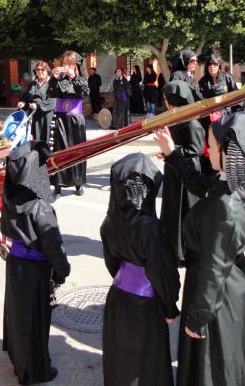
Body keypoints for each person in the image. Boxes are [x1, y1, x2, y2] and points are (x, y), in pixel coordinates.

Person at [155, 111, 245, 386]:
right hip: (227, 285)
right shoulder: (238, 181)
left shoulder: (227, 205)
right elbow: (199, 184)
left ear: (230, 151)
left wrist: (197, 317)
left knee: (214, 364)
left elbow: (213, 268)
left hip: (216, 296)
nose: (206, 151)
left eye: (212, 145)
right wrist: (172, 154)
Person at [100, 152, 180, 386]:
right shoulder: (150, 228)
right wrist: (169, 305)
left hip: (118, 297)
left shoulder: (110, 221)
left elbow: (112, 263)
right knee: (146, 363)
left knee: (119, 357)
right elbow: (163, 272)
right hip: (146, 304)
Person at [0, 140, 70, 385]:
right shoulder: (40, 208)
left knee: (18, 315)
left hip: (15, 264)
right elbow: (54, 246)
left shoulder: (10, 195)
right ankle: (33, 371)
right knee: (34, 321)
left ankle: (19, 359)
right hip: (35, 270)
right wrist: (62, 271)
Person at [160, 80, 205, 264]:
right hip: (173, 168)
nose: (164, 102)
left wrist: (172, 151)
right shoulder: (174, 117)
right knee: (173, 210)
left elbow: (196, 149)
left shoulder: (191, 121)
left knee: (185, 211)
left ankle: (184, 250)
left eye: (166, 98)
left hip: (187, 171)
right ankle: (172, 247)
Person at [47, 51, 89, 199]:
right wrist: (53, 78)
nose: (67, 67)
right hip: (60, 119)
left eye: (70, 64)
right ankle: (57, 187)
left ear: (75, 64)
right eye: (64, 63)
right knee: (59, 151)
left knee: (77, 151)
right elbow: (50, 93)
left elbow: (84, 93)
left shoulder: (81, 79)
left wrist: (74, 77)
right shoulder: (58, 80)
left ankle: (78, 183)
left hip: (76, 120)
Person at [17, 61, 55, 144]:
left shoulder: (52, 83)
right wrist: (23, 103)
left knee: (45, 140)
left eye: (43, 69)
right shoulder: (32, 84)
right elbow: (27, 97)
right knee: (34, 139)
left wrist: (38, 105)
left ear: (47, 71)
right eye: (38, 69)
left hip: (46, 116)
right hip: (33, 116)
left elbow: (52, 101)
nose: (40, 71)